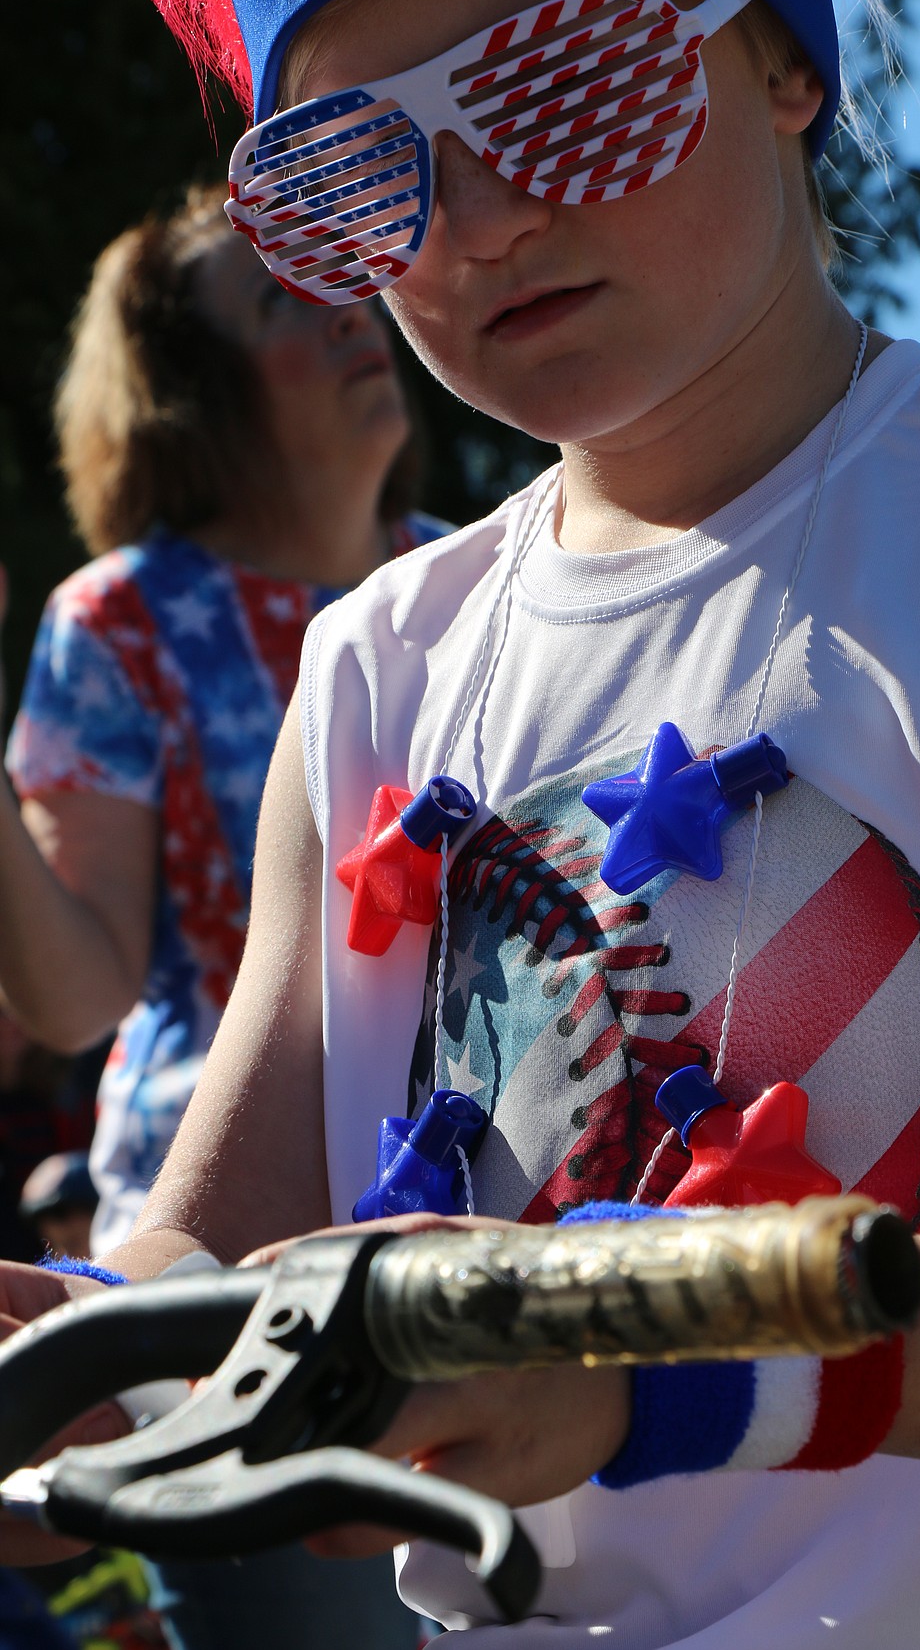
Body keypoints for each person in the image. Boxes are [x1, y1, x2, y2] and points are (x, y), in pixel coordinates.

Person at [6, 0, 920, 1647]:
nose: (475, 225)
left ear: (786, 59)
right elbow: (220, 1250)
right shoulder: (378, 665)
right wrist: (78, 1353)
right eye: (354, 170)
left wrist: (652, 1368)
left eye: (564, 85)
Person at [0, 189, 433, 1646]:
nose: (345, 306)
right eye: (278, 301)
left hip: (487, 1235)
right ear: (194, 394)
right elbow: (71, 1001)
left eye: (338, 276)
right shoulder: (119, 619)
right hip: (213, 1283)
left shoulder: (495, 577)